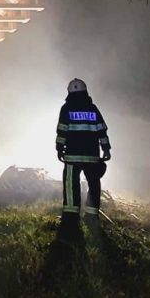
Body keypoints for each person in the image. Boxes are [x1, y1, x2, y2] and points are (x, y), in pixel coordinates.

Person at [55, 78, 111, 229]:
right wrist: (106, 148)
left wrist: (59, 148)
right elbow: (102, 130)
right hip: (92, 156)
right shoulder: (93, 109)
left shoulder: (66, 109)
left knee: (71, 184)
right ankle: (92, 215)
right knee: (94, 183)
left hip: (72, 156)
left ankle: (71, 216)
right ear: (85, 91)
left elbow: (62, 130)